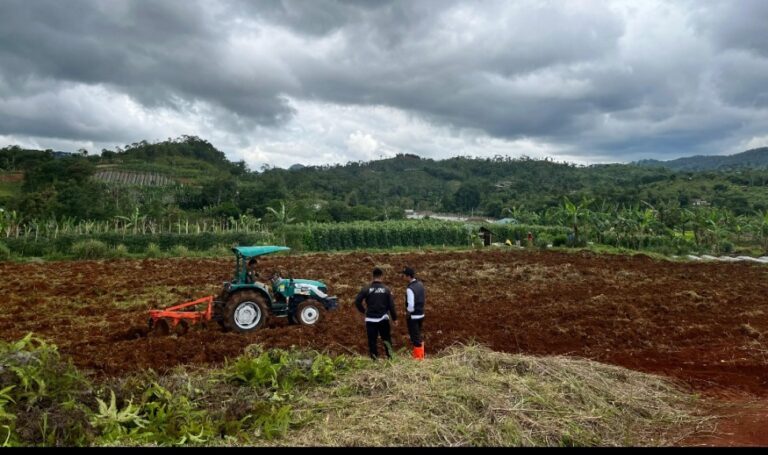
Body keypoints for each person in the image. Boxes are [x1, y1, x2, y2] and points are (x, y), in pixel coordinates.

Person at [354, 267, 398, 360]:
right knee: (386, 339)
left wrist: (364, 311)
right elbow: (391, 306)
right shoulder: (386, 289)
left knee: (372, 341)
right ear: (382, 276)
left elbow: (357, 302)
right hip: (383, 319)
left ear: (372, 276)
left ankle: (374, 360)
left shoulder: (366, 289)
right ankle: (390, 358)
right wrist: (394, 318)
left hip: (370, 319)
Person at [401, 266, 426, 360]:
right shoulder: (420, 284)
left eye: (403, 275)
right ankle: (421, 356)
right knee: (418, 335)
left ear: (408, 276)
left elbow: (411, 305)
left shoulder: (410, 288)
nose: (403, 277)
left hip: (413, 316)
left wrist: (408, 312)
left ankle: (418, 360)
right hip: (421, 314)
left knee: (415, 338)